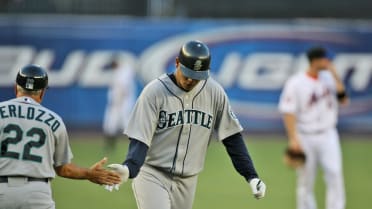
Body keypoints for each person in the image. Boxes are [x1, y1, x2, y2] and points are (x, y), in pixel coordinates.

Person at [106, 40, 266, 209]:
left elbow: (232, 137)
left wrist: (251, 175)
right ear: (177, 63)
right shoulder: (154, 92)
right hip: (153, 174)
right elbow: (141, 139)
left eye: (196, 77)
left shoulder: (214, 92)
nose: (190, 80)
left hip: (188, 181)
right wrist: (130, 167)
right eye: (187, 73)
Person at [0, 65, 121, 209]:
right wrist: (89, 174)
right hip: (38, 193)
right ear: (42, 92)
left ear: (16, 88)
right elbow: (64, 169)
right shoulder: (54, 120)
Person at [279, 47, 348, 209]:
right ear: (315, 61)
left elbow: (344, 100)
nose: (329, 62)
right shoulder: (296, 83)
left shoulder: (330, 79)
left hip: (329, 134)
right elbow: (288, 111)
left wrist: (336, 76)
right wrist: (293, 139)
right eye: (326, 59)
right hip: (306, 136)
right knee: (305, 180)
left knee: (335, 175)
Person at [103, 58, 136, 151]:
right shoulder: (121, 72)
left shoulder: (123, 72)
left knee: (119, 124)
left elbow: (122, 88)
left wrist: (118, 103)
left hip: (121, 103)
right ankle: (111, 145)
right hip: (120, 103)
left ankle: (134, 144)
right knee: (113, 124)